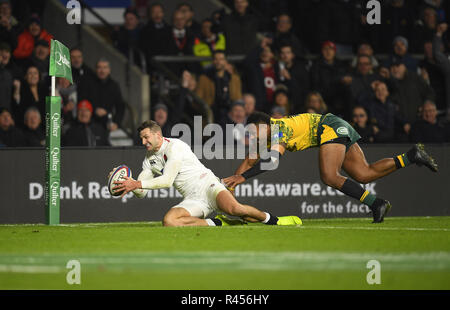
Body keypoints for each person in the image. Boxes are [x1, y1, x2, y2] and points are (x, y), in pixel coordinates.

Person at [223, 111, 438, 223]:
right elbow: (249, 162)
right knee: (364, 174)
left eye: (253, 131)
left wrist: (243, 179)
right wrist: (232, 184)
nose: (251, 135)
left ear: (264, 125)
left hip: (330, 128)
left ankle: (375, 204)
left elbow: (272, 162)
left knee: (329, 176)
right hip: (335, 126)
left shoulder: (279, 128)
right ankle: (411, 156)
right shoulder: (265, 138)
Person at [111, 120, 301, 227]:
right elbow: (141, 191)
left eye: (146, 137)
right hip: (193, 199)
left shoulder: (174, 147)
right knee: (169, 221)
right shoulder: (148, 160)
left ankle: (276, 221)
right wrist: (129, 183)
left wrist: (136, 184)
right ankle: (217, 223)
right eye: (141, 138)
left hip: (208, 185)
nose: (143, 141)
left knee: (238, 211)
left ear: (158, 135)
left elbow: (167, 181)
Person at [78, 58, 125, 131]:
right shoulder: (88, 83)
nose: (102, 71)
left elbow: (120, 106)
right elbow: (82, 100)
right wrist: (95, 109)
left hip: (107, 122)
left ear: (109, 70)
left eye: (105, 67)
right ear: (96, 69)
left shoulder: (114, 85)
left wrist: (116, 123)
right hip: (89, 120)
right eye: (99, 67)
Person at [195, 50, 242, 124]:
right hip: (211, 114)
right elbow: (198, 100)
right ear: (213, 61)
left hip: (230, 114)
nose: (218, 62)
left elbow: (238, 98)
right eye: (216, 59)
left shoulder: (234, 78)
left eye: (221, 59)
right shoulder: (204, 78)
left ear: (225, 61)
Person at [278, 43, 310, 114]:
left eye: (288, 53)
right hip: (280, 107)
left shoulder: (301, 69)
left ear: (292, 55)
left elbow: (303, 90)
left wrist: (289, 78)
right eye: (283, 53)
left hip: (297, 107)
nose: (285, 56)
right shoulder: (277, 68)